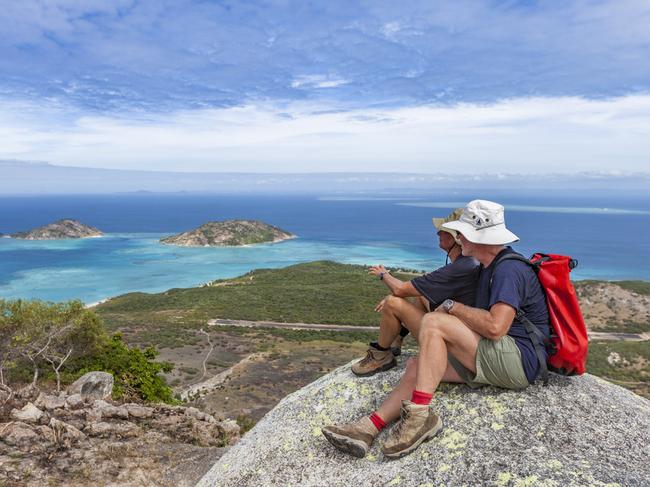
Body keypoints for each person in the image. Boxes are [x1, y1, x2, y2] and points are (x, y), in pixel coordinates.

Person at [322, 200, 549, 459]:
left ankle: (420, 417)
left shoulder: (509, 269)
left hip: (518, 360)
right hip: (498, 355)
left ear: (477, 237)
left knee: (434, 321)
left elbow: (496, 328)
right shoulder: (489, 267)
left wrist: (451, 307)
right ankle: (368, 428)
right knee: (417, 366)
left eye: (461, 234)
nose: (458, 238)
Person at [351, 209, 480, 377]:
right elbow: (422, 286)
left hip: (454, 348)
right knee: (423, 293)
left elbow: (400, 289)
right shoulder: (470, 262)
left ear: (456, 237)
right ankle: (398, 338)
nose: (438, 233)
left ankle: (381, 355)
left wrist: (384, 275)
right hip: (463, 337)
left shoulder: (461, 267)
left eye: (442, 230)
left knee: (392, 302)